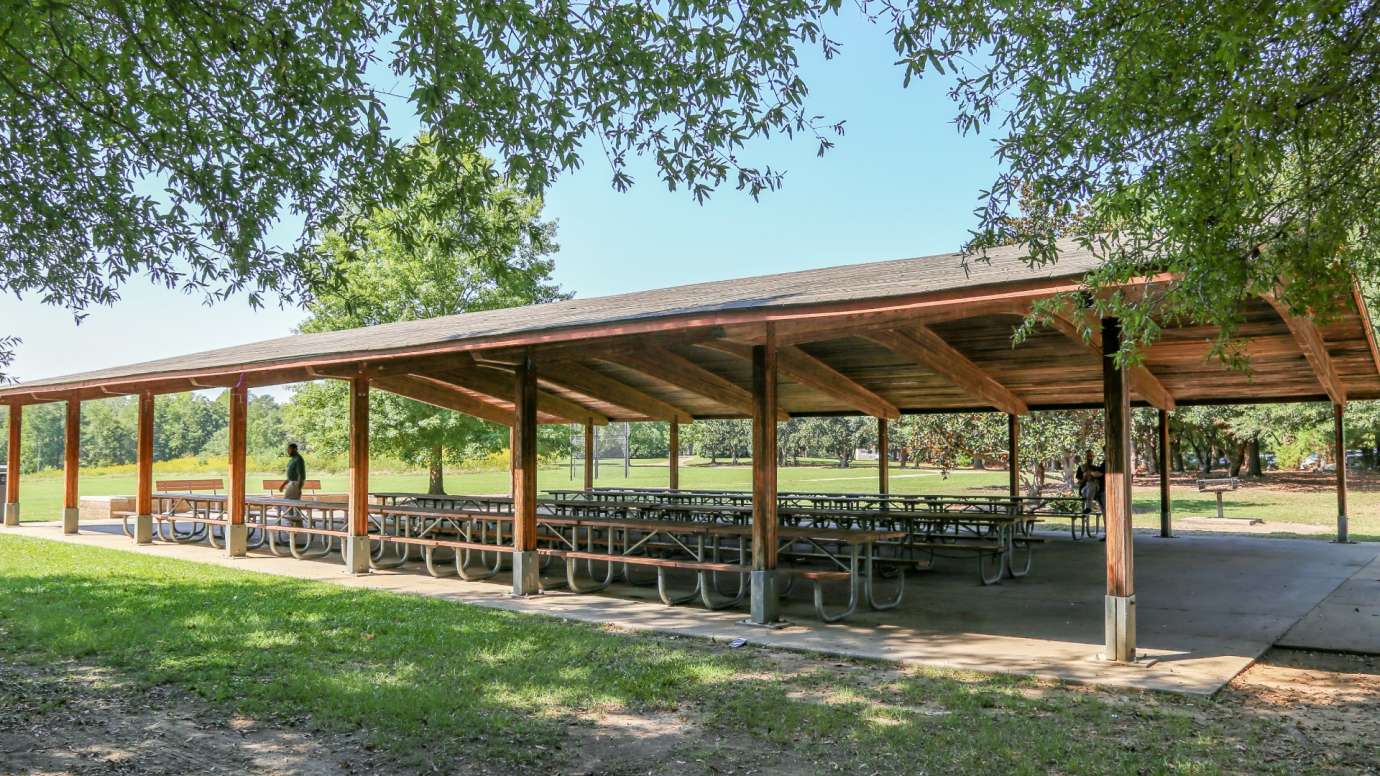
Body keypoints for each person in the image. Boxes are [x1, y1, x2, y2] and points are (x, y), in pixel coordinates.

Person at [1075, 449, 1105, 515]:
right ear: (1084, 457)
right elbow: (1079, 482)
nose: (1089, 458)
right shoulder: (1081, 468)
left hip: (1095, 491)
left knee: (1092, 484)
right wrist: (1085, 478)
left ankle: (1088, 507)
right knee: (1090, 484)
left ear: (1093, 457)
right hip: (1084, 491)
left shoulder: (1097, 468)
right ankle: (1089, 507)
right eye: (1088, 456)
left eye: (1091, 456)